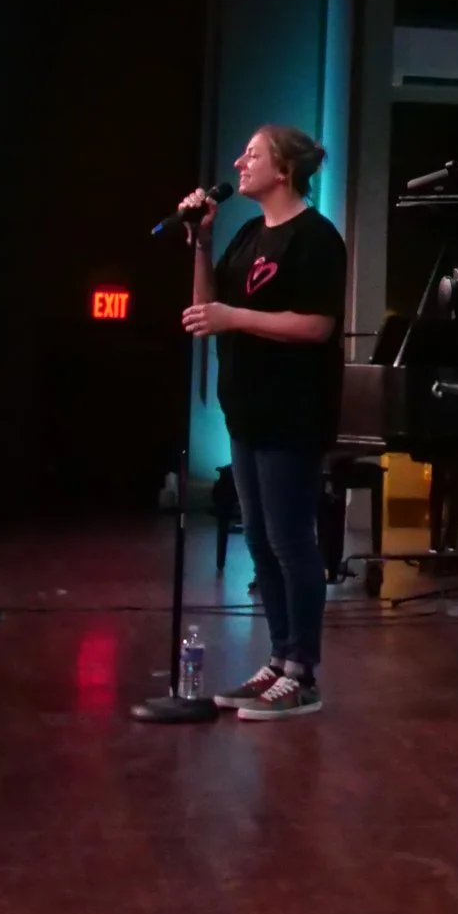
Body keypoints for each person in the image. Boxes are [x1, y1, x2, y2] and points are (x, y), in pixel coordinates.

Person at [178, 124, 348, 721]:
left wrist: (236, 316)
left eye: (251, 154)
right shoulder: (249, 233)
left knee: (290, 539)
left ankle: (303, 672)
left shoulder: (316, 238)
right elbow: (207, 312)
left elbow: (316, 326)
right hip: (246, 409)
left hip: (293, 411)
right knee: (257, 540)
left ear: (283, 171)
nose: (237, 162)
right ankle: (279, 658)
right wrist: (201, 243)